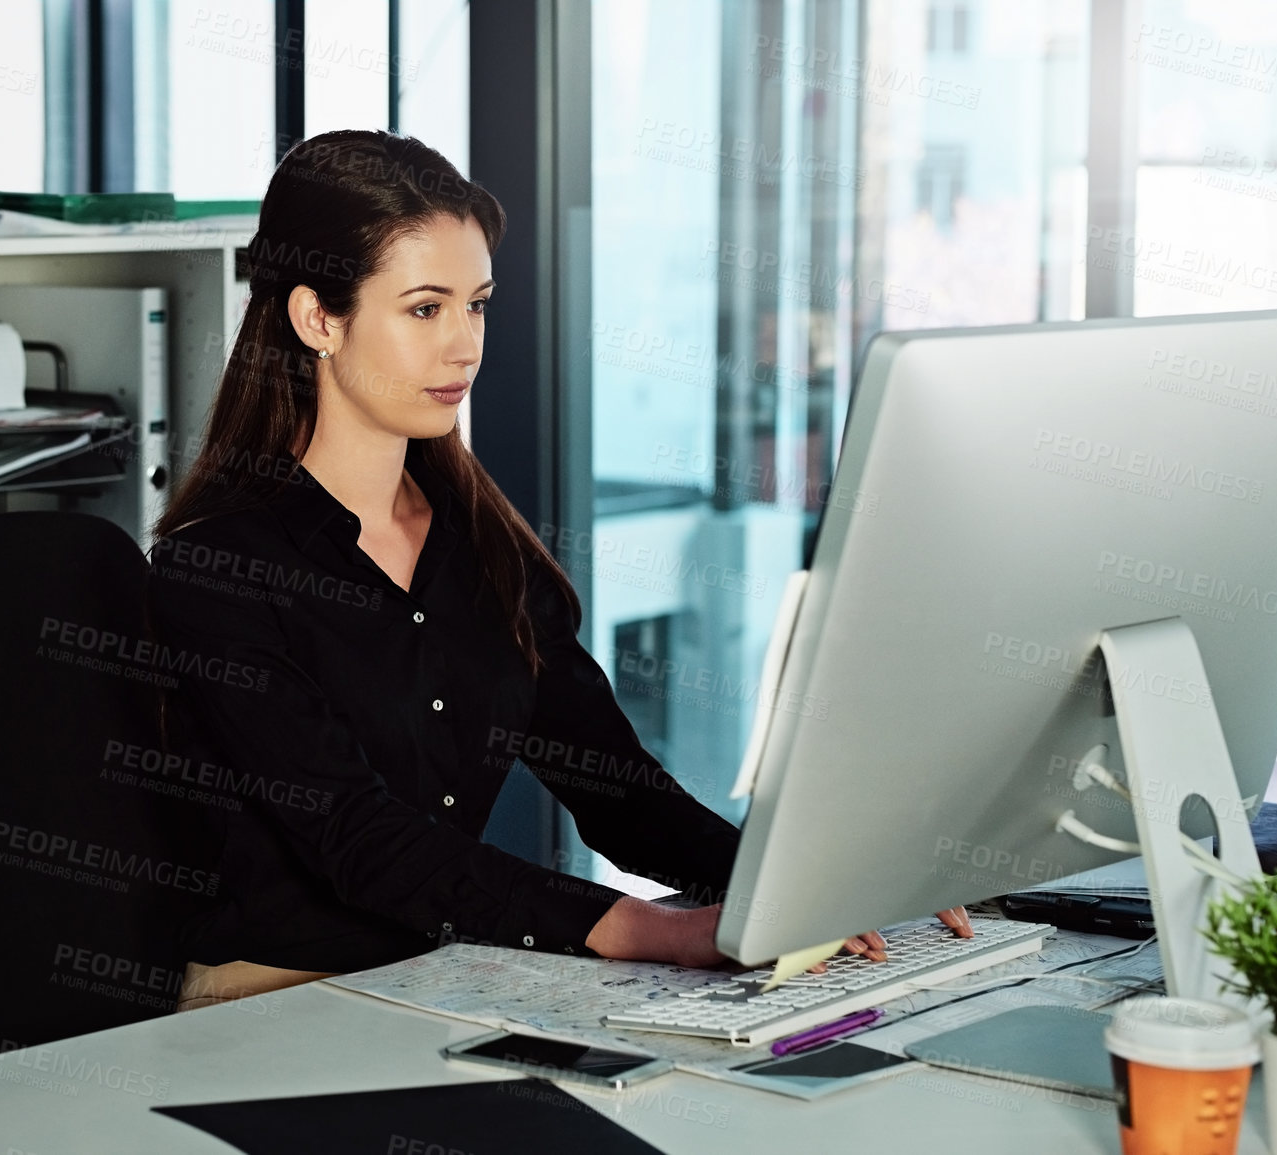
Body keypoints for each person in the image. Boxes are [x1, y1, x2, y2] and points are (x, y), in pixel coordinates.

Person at [145, 130, 970, 1010]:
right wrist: (649, 929)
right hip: (279, 1001)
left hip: (451, 975)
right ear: (318, 318)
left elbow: (612, 783)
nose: (464, 346)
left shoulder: (480, 542)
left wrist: (792, 891)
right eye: (425, 309)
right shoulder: (217, 563)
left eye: (477, 305)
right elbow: (359, 838)